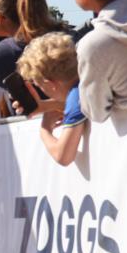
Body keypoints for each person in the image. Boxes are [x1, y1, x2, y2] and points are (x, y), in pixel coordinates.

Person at [15, 33, 88, 167]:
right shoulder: (87, 79)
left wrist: (45, 129)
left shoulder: (75, 98)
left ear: (50, 83)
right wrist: (45, 106)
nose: (41, 89)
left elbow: (63, 156)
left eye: (39, 85)